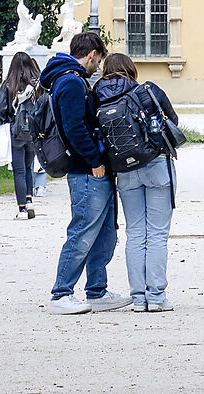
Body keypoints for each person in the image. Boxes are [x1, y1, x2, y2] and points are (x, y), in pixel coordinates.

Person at [43, 30, 124, 314]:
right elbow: (75, 128)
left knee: (104, 233)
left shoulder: (65, 79)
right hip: (87, 170)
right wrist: (94, 160)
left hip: (91, 168)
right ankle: (61, 293)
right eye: (98, 61)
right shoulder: (72, 82)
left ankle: (96, 291)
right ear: (92, 54)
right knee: (82, 232)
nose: (97, 68)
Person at [98, 53, 182, 312]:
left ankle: (137, 298)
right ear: (131, 69)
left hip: (124, 170)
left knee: (134, 233)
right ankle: (156, 296)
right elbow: (173, 121)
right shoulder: (147, 91)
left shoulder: (97, 97)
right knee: (156, 234)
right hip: (156, 164)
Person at [0, 50, 44, 218]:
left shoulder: (9, 85)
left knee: (19, 171)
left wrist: (3, 122)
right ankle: (30, 199)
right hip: (32, 131)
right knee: (29, 166)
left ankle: (22, 208)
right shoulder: (37, 85)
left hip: (16, 132)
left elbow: (0, 110)